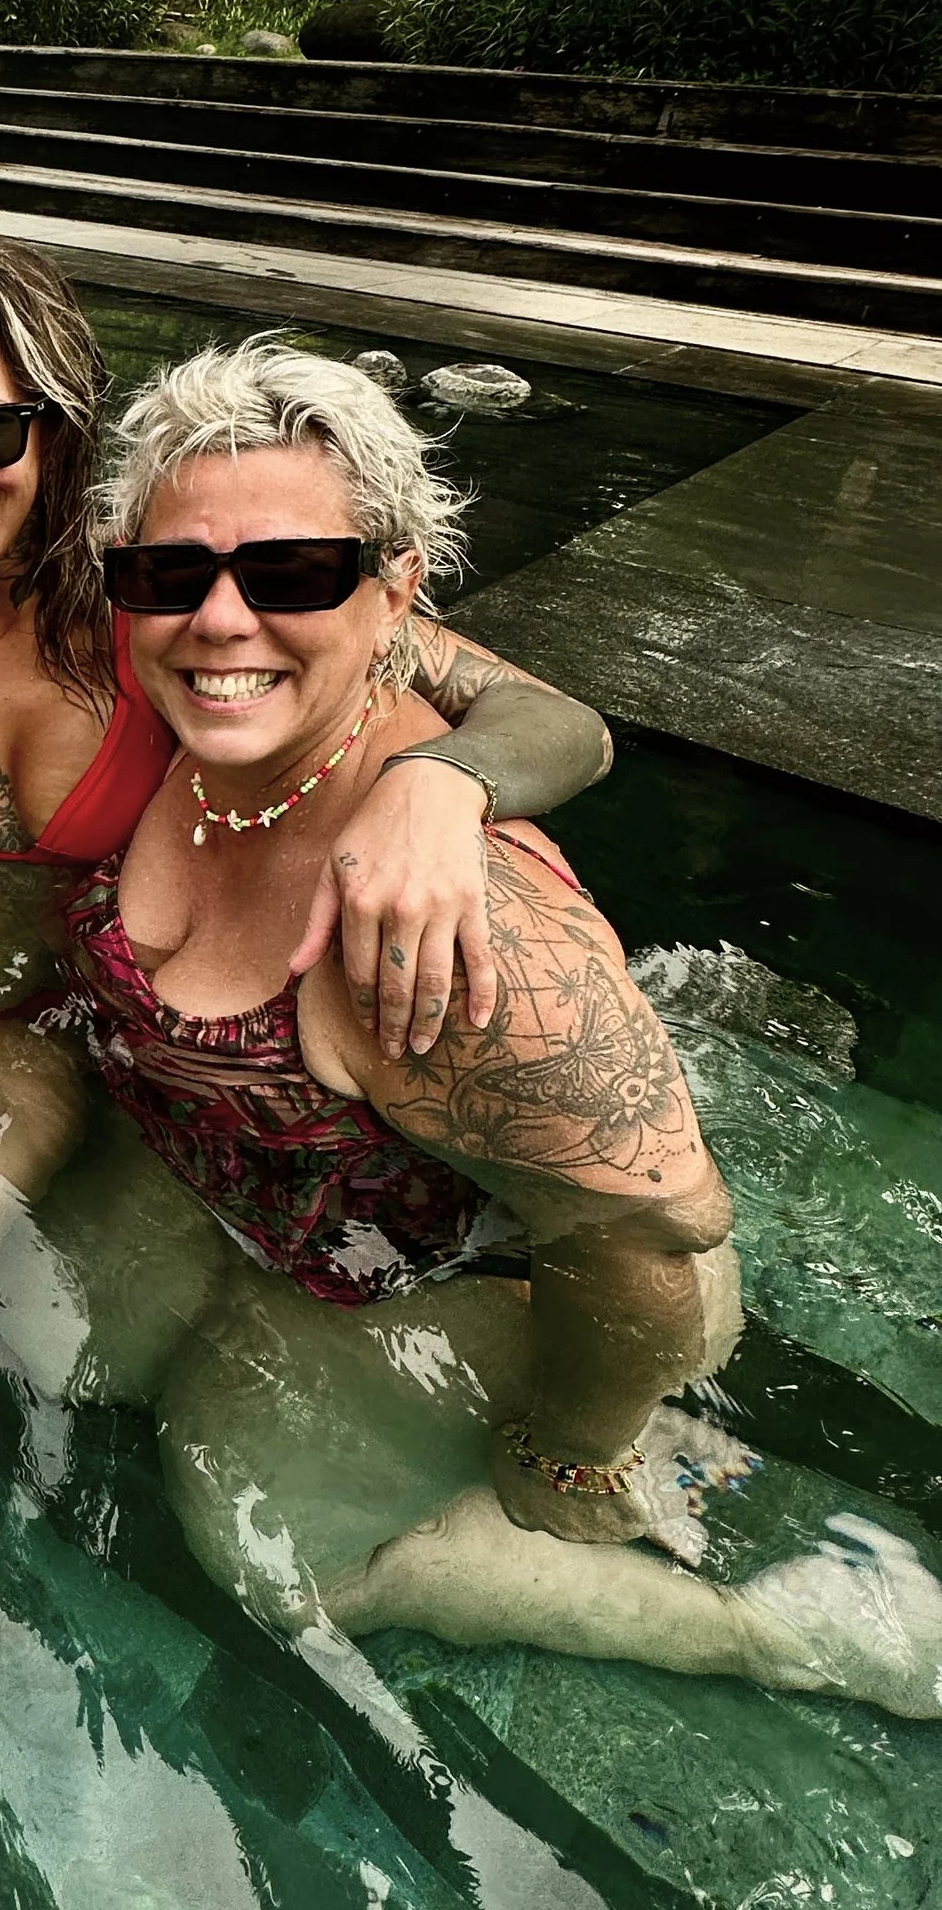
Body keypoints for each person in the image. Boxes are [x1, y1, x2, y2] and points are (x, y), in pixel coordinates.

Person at [62, 334, 942, 1711]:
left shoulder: (451, 941)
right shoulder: (231, 690)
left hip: (483, 1291)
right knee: (79, 1361)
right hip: (272, 1199)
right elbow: (550, 718)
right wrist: (459, 770)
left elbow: (658, 1235)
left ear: (392, 588)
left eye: (291, 572)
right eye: (172, 572)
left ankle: (782, 1631)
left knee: (260, 1552)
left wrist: (569, 1445)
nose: (224, 618)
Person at [0, 235, 616, 1397]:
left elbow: (562, 723)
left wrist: (441, 783)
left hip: (37, 1032)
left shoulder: (180, 602)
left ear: (58, 418)